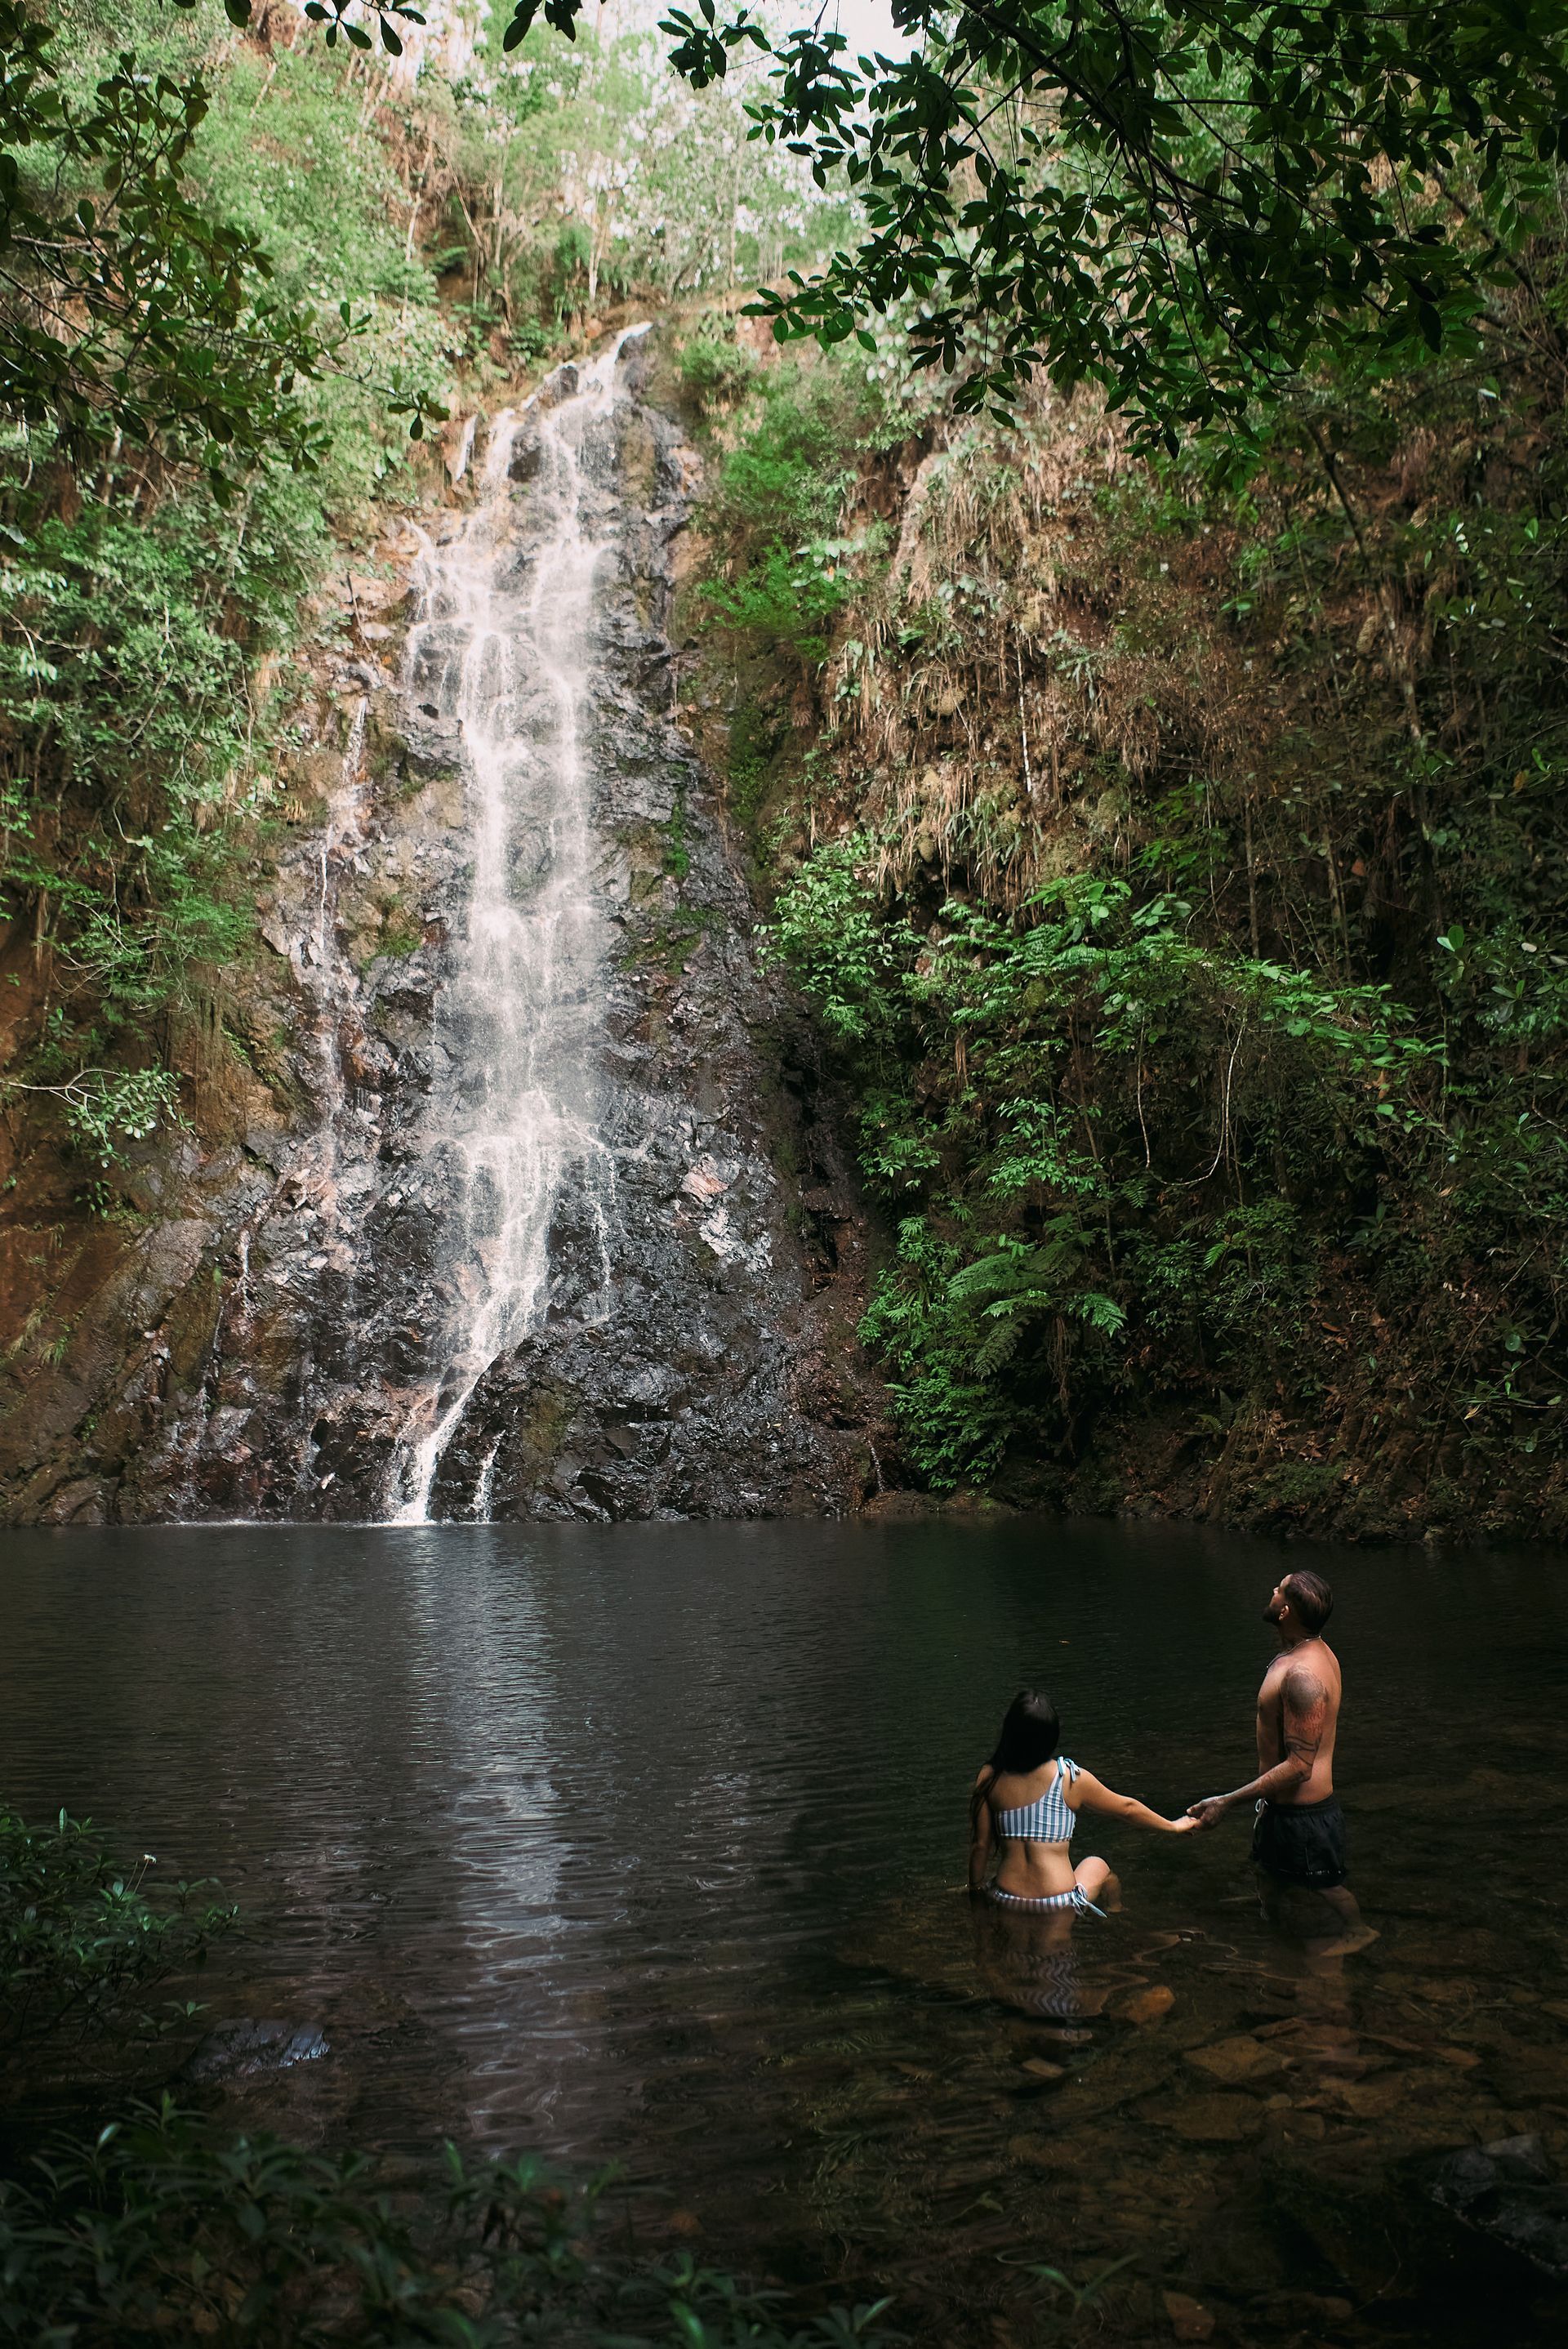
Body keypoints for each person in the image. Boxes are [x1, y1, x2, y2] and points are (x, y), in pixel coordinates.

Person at [1186, 1569, 1375, 1955]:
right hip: (1284, 1814)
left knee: (1325, 1889)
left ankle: (1356, 1933)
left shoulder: (1303, 1675)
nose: (1271, 1590)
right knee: (1274, 1879)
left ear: (1286, 1610)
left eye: (1278, 1589)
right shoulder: (1307, 1653)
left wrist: (1226, 1801)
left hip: (1305, 1819)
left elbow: (1300, 1766)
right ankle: (1279, 1950)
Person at [969, 1688, 1198, 1914]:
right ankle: (1116, 1913)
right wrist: (1173, 1825)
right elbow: (1127, 1809)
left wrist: (976, 1891)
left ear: (1009, 1733)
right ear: (1051, 1737)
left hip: (1007, 1898)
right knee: (1098, 1865)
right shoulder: (1069, 1778)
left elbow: (981, 1845)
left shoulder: (989, 1776)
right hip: (1058, 1902)